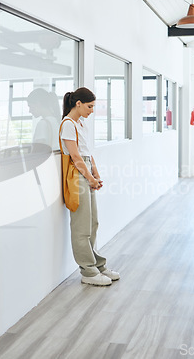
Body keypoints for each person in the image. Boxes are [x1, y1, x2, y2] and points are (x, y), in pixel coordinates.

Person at [59, 87, 120, 286]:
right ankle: (88, 271)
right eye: (90, 106)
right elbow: (75, 157)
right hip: (77, 175)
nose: (92, 110)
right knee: (81, 226)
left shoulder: (81, 123)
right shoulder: (68, 124)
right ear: (78, 104)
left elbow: (87, 152)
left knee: (92, 223)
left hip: (86, 172)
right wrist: (89, 177)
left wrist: (96, 173)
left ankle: (98, 265)